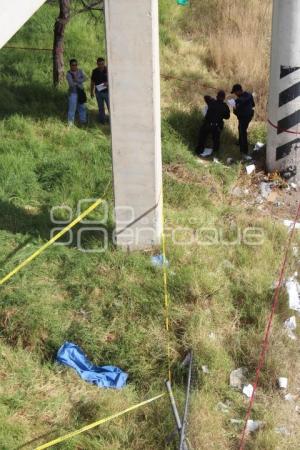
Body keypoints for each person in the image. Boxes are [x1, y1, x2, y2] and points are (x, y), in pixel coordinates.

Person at [197, 90, 230, 157]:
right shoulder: (225, 106)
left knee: (202, 138)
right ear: (224, 98)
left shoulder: (211, 102)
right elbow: (227, 117)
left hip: (207, 124)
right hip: (217, 127)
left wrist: (212, 99)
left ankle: (199, 151)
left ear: (217, 96)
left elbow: (206, 96)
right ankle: (215, 154)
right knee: (216, 141)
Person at [231, 84, 255, 158]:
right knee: (240, 129)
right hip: (241, 117)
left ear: (238, 91)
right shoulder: (240, 98)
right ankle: (240, 143)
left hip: (246, 117)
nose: (235, 94)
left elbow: (247, 101)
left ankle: (244, 151)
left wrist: (236, 102)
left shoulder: (247, 95)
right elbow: (253, 105)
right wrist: (235, 107)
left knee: (242, 132)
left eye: (235, 92)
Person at [66, 59, 87, 126]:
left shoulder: (80, 71)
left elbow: (85, 78)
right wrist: (79, 81)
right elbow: (71, 84)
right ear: (70, 65)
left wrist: (76, 80)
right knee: (72, 109)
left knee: (82, 107)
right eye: (73, 65)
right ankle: (70, 123)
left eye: (76, 65)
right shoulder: (68, 74)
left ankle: (83, 121)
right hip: (73, 93)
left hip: (81, 92)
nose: (74, 66)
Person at [90, 57, 109, 124]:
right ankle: (102, 121)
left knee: (110, 107)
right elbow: (92, 82)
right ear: (97, 64)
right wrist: (91, 92)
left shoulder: (108, 70)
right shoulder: (94, 71)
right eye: (99, 64)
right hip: (98, 92)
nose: (101, 65)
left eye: (102, 64)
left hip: (107, 92)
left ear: (104, 63)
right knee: (101, 108)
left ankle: (112, 121)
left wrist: (108, 83)